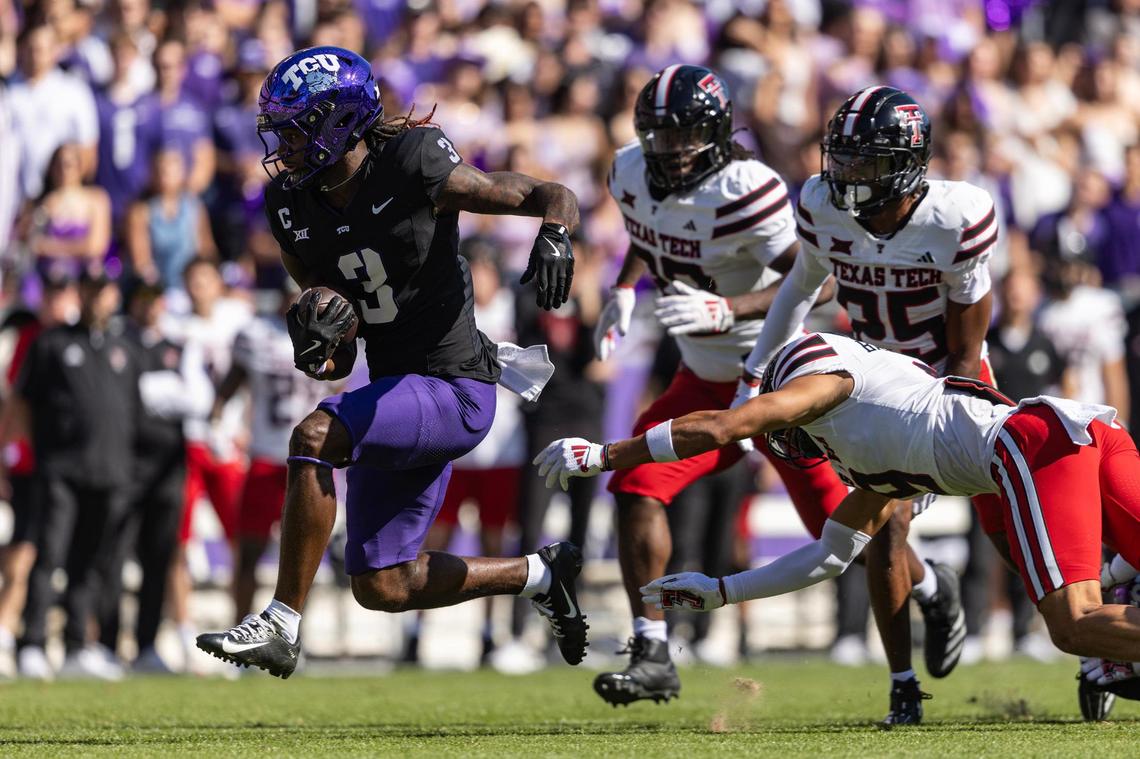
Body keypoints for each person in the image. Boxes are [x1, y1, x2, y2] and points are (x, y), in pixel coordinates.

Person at [196, 46, 582, 679]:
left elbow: (546, 192)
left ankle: (281, 624)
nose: (282, 141)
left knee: (315, 434)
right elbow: (335, 341)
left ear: (338, 121)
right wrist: (321, 341)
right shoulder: (291, 205)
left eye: (295, 125)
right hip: (397, 390)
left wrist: (557, 232)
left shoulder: (412, 160)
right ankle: (541, 574)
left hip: (456, 388)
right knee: (383, 585)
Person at [537, 331, 1140, 720]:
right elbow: (830, 554)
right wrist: (724, 591)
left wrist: (605, 455)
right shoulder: (877, 445)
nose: (785, 435)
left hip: (1030, 446)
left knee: (1075, 623)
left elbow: (725, 427)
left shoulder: (832, 384)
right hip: (1083, 433)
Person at [592, 66, 948, 723]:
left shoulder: (747, 189)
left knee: (844, 534)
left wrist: (729, 309)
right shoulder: (630, 171)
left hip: (782, 378)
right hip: (702, 375)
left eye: (686, 136)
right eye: (660, 138)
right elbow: (650, 232)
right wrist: (622, 285)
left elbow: (822, 280)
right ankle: (652, 647)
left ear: (719, 132)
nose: (670, 152)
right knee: (636, 481)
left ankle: (929, 586)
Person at [735, 86, 994, 721]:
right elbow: (801, 285)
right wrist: (754, 375)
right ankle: (904, 685)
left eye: (867, 163)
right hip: (870, 374)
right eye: (843, 159)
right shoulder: (822, 204)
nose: (848, 176)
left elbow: (966, 344)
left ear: (907, 163)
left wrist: (952, 403)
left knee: (1011, 518)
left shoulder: (957, 216)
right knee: (883, 524)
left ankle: (1095, 636)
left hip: (945, 375)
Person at [14, 265, 138, 681]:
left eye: (105, 291)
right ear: (81, 294)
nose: (99, 298)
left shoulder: (123, 347)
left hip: (110, 472)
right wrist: (31, 453)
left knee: (90, 563)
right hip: (61, 470)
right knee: (49, 556)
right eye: (92, 290)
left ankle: (73, 648)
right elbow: (22, 403)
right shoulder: (51, 343)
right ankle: (30, 643)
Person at [211, 282, 330, 623]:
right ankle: (240, 627)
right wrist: (218, 424)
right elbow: (229, 386)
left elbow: (342, 386)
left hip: (311, 461)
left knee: (307, 559)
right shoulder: (255, 334)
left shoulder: (330, 331)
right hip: (266, 456)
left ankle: (292, 635)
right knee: (249, 552)